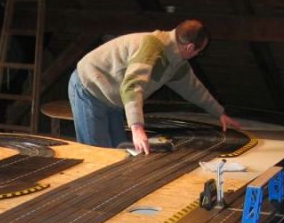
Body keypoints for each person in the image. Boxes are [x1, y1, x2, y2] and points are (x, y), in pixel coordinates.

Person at [68, 20, 241, 154]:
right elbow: (132, 86)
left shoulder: (176, 62)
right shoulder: (152, 47)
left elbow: (194, 89)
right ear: (190, 47)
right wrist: (137, 128)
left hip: (112, 98)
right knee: (98, 154)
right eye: (199, 52)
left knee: (118, 153)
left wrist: (220, 114)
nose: (197, 55)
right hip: (89, 88)